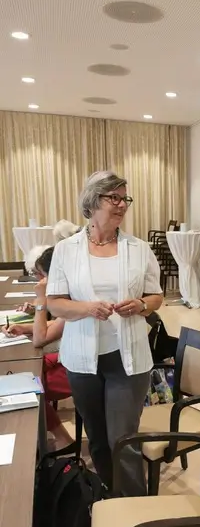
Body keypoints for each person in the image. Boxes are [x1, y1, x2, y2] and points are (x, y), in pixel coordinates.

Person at [46, 170, 163, 496]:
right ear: (92, 201)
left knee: (123, 440)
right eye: (114, 198)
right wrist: (87, 308)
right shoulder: (66, 250)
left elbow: (156, 296)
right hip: (82, 359)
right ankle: (109, 497)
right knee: (97, 438)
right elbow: (54, 303)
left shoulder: (138, 248)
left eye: (125, 198)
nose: (122, 204)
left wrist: (141, 304)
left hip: (127, 358)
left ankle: (135, 507)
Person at [2, 246, 73, 449]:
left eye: (43, 275)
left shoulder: (74, 298)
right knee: (20, 374)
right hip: (66, 356)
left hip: (81, 369)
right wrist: (24, 328)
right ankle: (52, 436)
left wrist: (41, 300)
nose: (40, 280)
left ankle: (61, 440)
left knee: (26, 387)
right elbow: (58, 324)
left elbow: (40, 340)